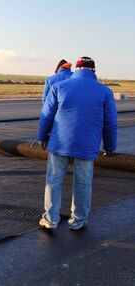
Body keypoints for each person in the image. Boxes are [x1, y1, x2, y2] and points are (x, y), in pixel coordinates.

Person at [37, 57, 117, 230]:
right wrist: (109, 147)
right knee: (82, 184)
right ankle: (78, 221)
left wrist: (42, 137)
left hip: (59, 144)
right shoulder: (105, 92)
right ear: (94, 71)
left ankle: (50, 220)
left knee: (54, 181)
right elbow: (110, 123)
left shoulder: (59, 86)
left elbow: (46, 116)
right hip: (87, 145)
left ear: (77, 69)